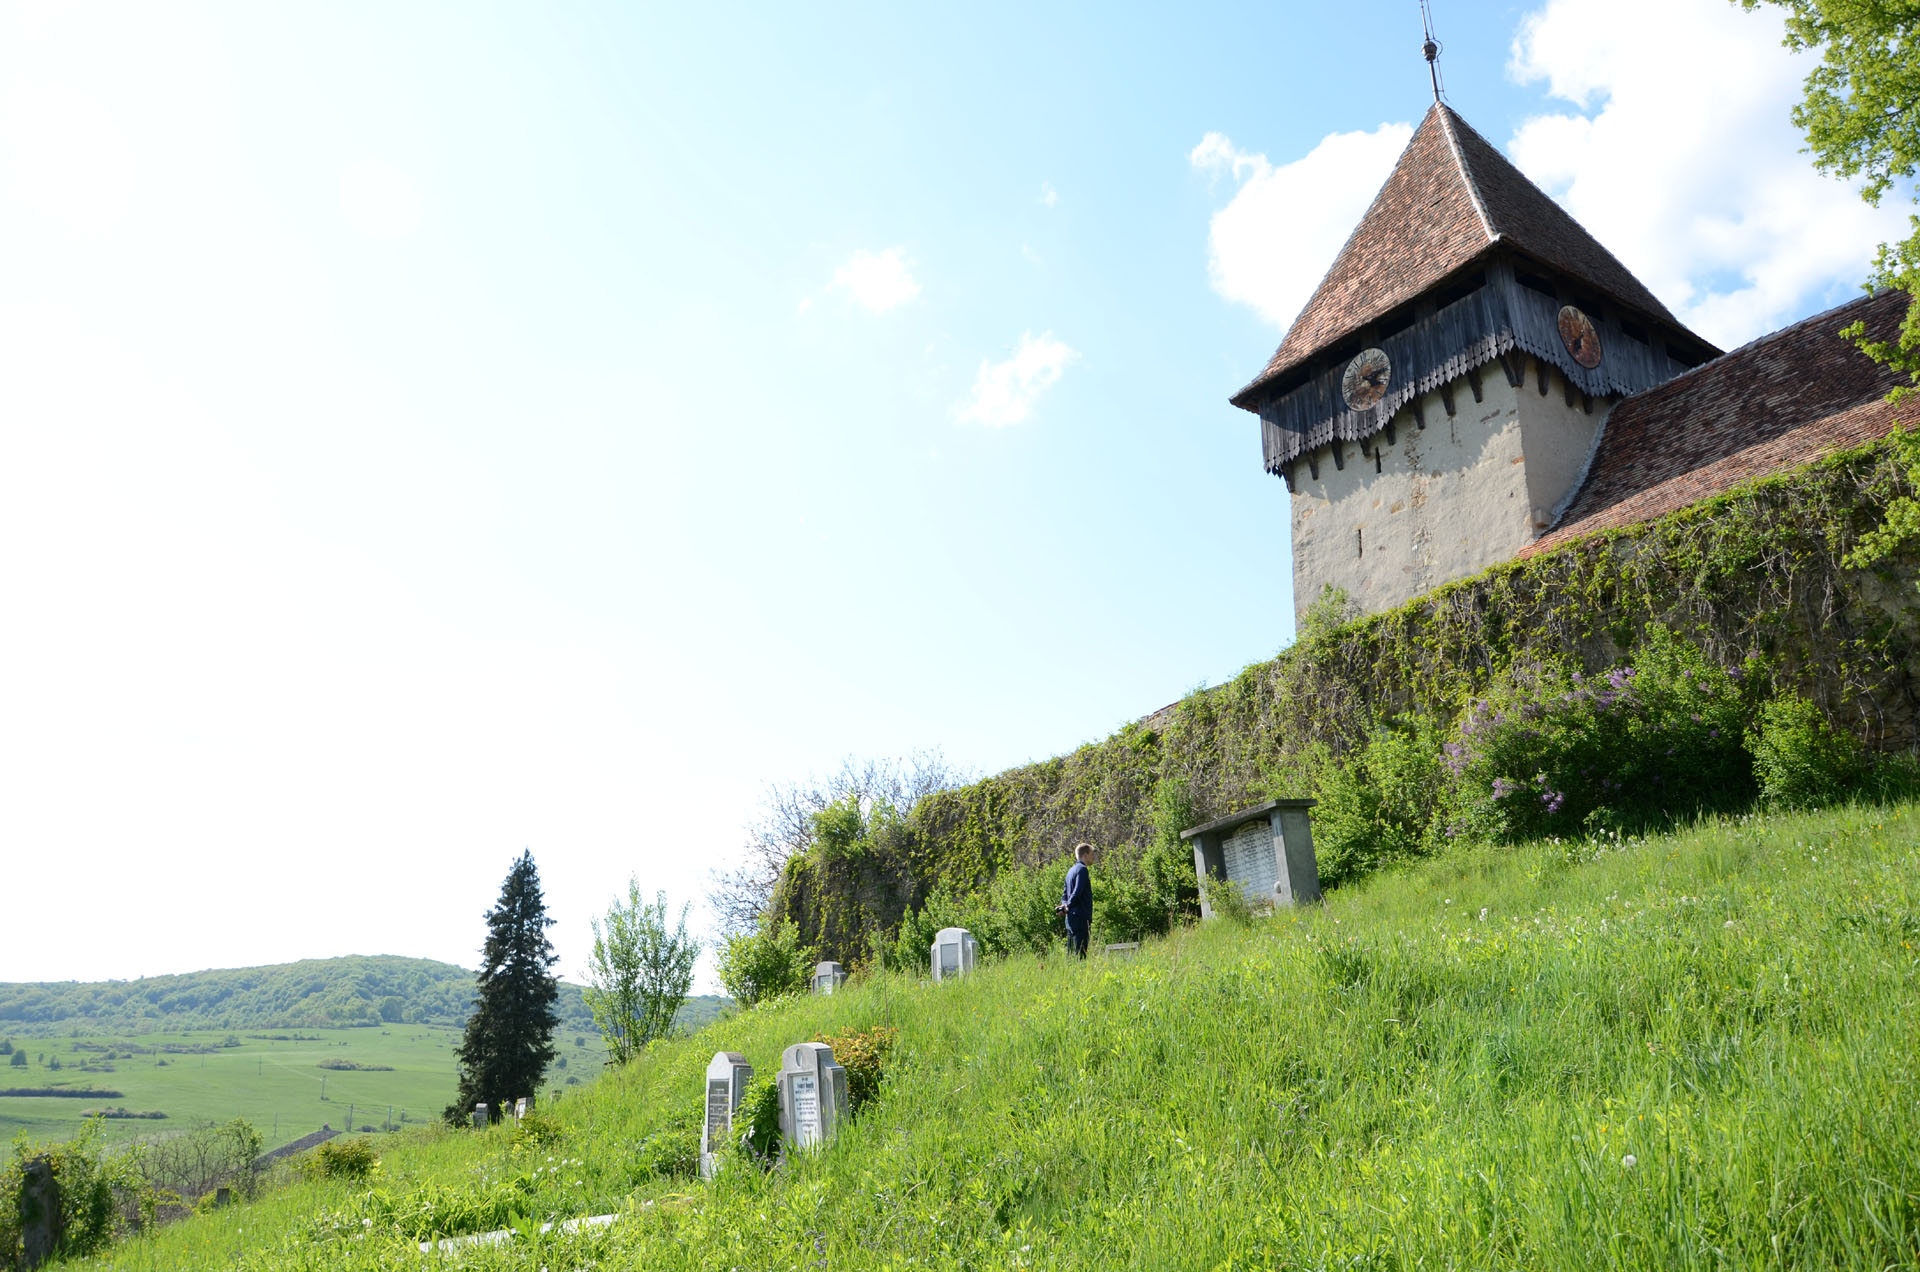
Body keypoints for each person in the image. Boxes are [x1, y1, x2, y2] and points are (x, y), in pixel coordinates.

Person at [1056, 842, 1093, 958]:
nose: (1094, 857)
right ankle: (1080, 976)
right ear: (1085, 855)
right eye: (1092, 854)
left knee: (1071, 955)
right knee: (1080, 955)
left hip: (1070, 919)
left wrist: (1064, 906)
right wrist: (1068, 906)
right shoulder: (1082, 870)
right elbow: (1077, 891)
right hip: (1080, 918)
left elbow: (1064, 895)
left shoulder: (1070, 871)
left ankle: (1070, 975)